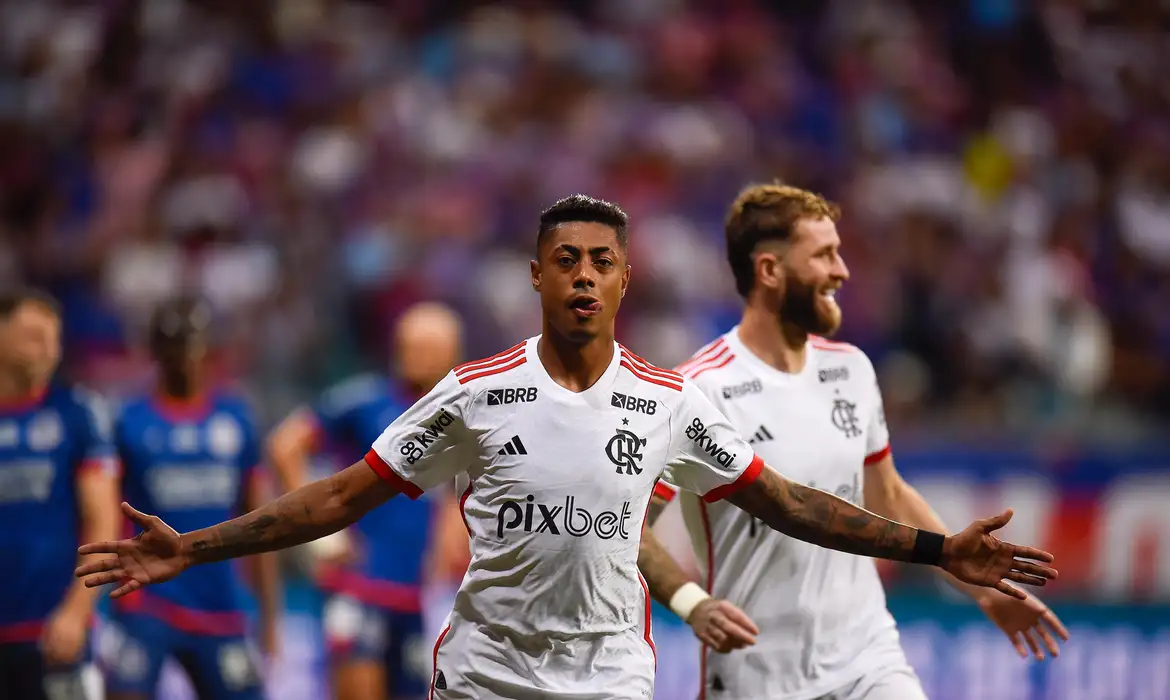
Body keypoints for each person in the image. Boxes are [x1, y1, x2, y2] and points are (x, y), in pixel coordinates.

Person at [75, 195, 1058, 700]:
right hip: (490, 671)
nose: (584, 276)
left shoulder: (669, 402)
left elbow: (791, 502)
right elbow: (337, 496)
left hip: (609, 674)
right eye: (566, 262)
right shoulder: (475, 393)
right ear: (536, 277)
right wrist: (191, 547)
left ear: (625, 280)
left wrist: (939, 550)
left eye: (602, 263)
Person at [639, 183, 1071, 700]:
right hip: (757, 673)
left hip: (866, 659)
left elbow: (888, 493)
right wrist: (691, 603)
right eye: (823, 256)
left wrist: (980, 590)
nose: (841, 271)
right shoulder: (698, 389)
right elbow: (631, 529)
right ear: (770, 270)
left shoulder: (851, 369)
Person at [267, 302, 468, 700]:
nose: (412, 355)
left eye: (426, 348)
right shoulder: (364, 402)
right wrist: (320, 535)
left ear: (452, 355)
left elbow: (451, 495)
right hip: (358, 586)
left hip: (414, 596)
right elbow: (285, 446)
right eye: (408, 345)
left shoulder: (457, 419)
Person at [100, 296, 278, 700]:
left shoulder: (236, 419)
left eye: (192, 344)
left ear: (209, 349)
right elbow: (102, 515)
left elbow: (262, 522)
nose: (184, 357)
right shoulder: (127, 421)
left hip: (219, 602)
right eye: (174, 345)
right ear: (156, 351)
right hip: (146, 599)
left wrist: (270, 616)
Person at [0, 288, 120, 700]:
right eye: (34, 336)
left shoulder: (79, 414)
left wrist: (76, 612)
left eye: (55, 338)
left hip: (54, 632)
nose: (49, 349)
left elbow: (103, 521)